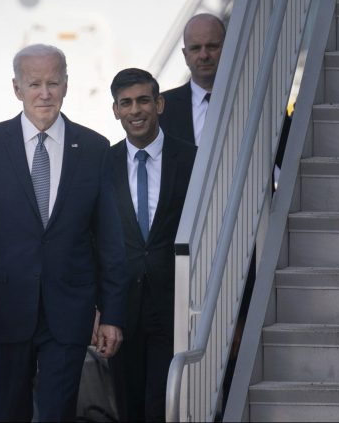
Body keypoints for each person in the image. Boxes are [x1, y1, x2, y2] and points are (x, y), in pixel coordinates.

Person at [0, 44, 127, 421]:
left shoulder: (94, 148)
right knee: (8, 413)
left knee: (57, 414)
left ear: (66, 85)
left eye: (53, 83)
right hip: (4, 310)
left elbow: (109, 241)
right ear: (17, 89)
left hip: (70, 313)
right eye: (34, 84)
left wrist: (111, 313)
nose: (45, 93)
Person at [106, 68, 196, 421]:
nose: (135, 110)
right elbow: (94, 240)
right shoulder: (103, 164)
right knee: (128, 408)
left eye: (143, 100)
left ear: (159, 103)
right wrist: (101, 309)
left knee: (164, 407)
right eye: (125, 103)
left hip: (174, 307)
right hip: (121, 311)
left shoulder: (192, 160)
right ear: (115, 110)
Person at [161, 13, 225, 146]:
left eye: (212, 46)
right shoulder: (161, 108)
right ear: (185, 55)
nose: (204, 55)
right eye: (196, 48)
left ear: (226, 48)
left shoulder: (253, 99)